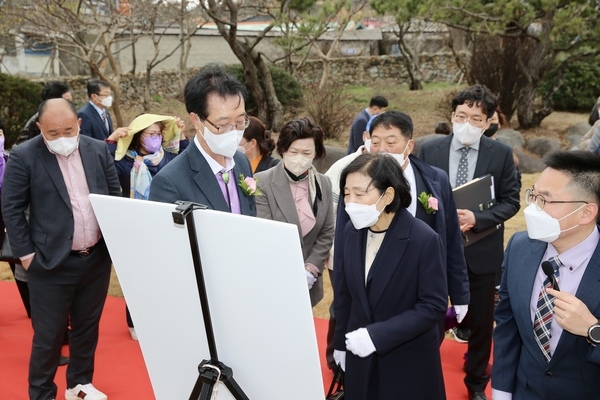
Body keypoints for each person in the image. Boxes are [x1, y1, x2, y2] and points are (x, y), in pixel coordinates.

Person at [1, 98, 121, 400]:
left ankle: (79, 384)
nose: (62, 139)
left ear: (78, 124)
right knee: (49, 336)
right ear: (40, 128)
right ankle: (42, 393)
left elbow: (113, 193)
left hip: (94, 257)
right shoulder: (25, 155)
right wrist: (27, 256)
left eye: (68, 130)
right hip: (49, 262)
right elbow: (12, 208)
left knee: (87, 326)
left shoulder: (96, 149)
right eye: (53, 133)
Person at [418, 85, 520, 400]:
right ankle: (419, 371)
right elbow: (416, 195)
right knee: (426, 314)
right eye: (461, 115)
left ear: (489, 122)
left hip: (481, 249)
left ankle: (476, 382)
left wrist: (478, 219)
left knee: (480, 322)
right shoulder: (428, 149)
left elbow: (511, 201)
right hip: (434, 248)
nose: (466, 123)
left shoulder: (501, 154)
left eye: (475, 118)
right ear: (452, 116)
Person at [333, 152, 447, 399]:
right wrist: (339, 344)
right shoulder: (352, 231)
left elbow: (433, 306)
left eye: (360, 194)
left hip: (406, 363)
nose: (350, 202)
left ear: (388, 195)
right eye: (346, 194)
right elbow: (346, 295)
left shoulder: (423, 239)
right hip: (360, 359)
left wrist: (376, 336)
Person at [492, 150, 600, 400]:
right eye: (534, 196)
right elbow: (507, 325)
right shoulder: (520, 246)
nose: (533, 209)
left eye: (546, 200)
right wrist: (501, 392)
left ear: (586, 213)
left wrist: (592, 329)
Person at [105, 113, 189, 339]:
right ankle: (134, 323)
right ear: (138, 137)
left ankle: (163, 318)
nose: (156, 138)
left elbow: (187, 154)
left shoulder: (168, 159)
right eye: (151, 134)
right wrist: (111, 140)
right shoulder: (124, 163)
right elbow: (101, 159)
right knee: (137, 278)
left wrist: (180, 134)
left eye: (159, 133)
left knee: (164, 278)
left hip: (165, 228)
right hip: (135, 230)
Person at [149, 64, 256, 218]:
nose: (234, 132)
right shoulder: (170, 181)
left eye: (240, 122)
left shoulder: (242, 162)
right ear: (196, 120)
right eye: (223, 124)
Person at [254, 118, 334, 307]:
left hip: (309, 282)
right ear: (283, 151)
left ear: (316, 153)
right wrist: (290, 273)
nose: (300, 158)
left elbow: (327, 231)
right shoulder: (263, 182)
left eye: (307, 152)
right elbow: (265, 232)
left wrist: (311, 268)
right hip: (272, 278)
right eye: (294, 152)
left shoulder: (323, 183)